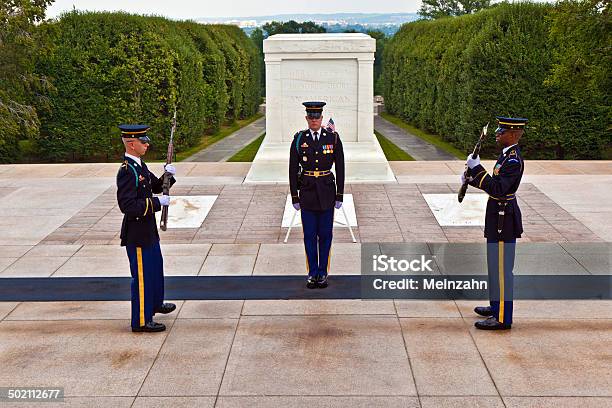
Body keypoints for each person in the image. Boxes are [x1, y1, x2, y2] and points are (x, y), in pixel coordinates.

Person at [463, 116, 527, 330]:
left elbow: (499, 189)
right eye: (498, 129)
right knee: (494, 267)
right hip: (497, 216)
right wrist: (472, 178)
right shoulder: (505, 155)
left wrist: (478, 169)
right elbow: (494, 184)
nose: (498, 133)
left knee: (502, 271)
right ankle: (496, 305)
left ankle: (502, 318)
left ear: (514, 134)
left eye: (503, 131)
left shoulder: (512, 160)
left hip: (503, 220)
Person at [116, 124, 177, 332]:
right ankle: (141, 320)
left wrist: (168, 176)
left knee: (155, 270)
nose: (147, 144)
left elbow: (156, 187)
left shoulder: (140, 166)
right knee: (142, 277)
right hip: (137, 233)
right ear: (132, 144)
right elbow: (128, 206)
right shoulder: (127, 171)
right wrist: (158, 204)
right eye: (143, 141)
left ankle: (155, 303)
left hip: (148, 230)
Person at [289, 102, 345, 289]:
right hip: (307, 194)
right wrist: (295, 196)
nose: (314, 120)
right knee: (309, 236)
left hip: (327, 192)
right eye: (311, 117)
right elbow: (292, 170)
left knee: (326, 235)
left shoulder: (333, 138)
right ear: (307, 119)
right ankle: (312, 273)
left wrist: (339, 195)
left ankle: (323, 273)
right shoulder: (299, 139)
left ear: (322, 119)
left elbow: (341, 168)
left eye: (317, 117)